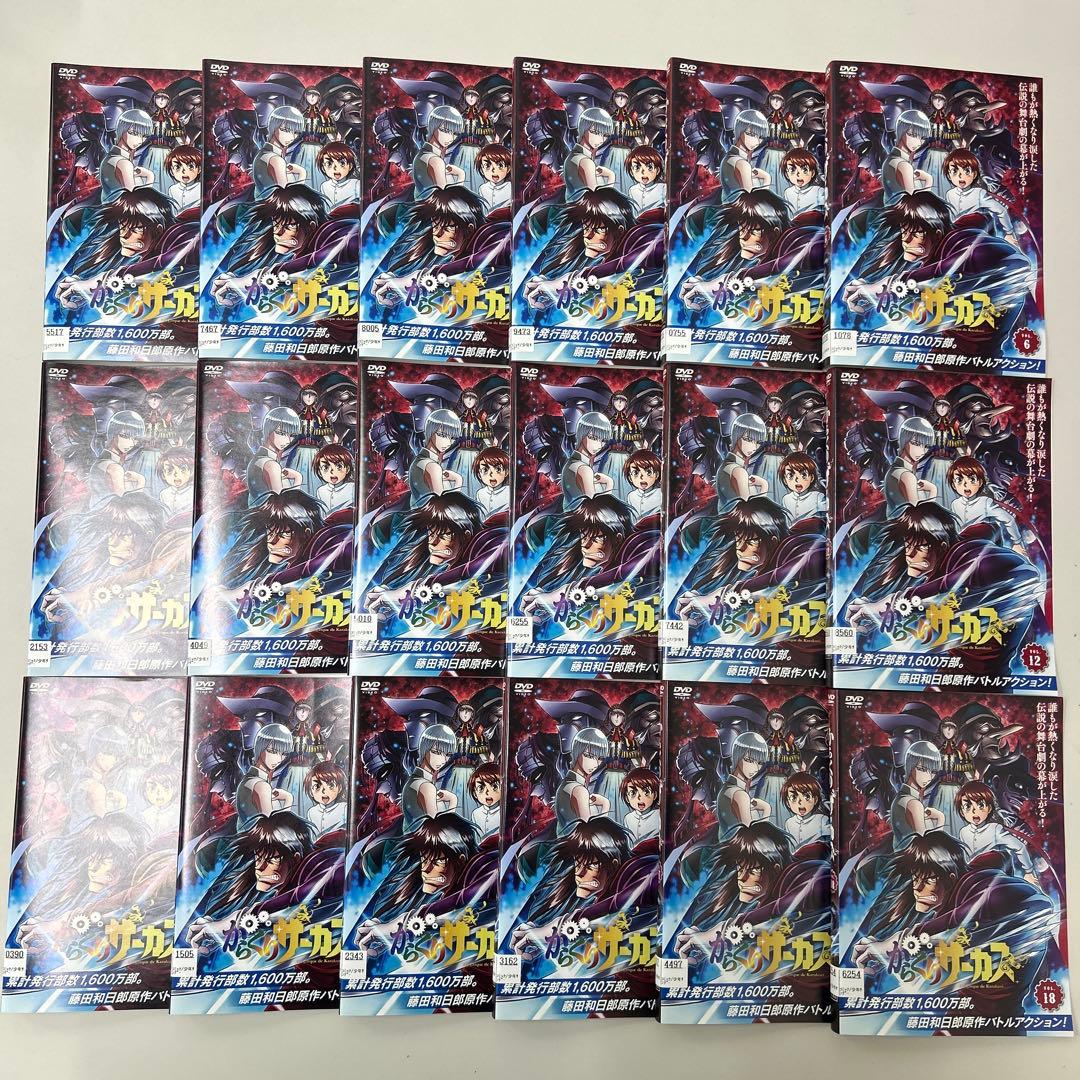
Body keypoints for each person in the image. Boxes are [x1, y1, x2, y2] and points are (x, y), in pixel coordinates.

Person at [955, 780, 1039, 885]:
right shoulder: (963, 832)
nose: (974, 811)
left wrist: (1029, 871)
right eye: (968, 806)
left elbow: (1019, 847)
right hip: (972, 881)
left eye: (980, 805)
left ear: (989, 808)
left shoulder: (995, 829)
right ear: (962, 811)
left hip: (995, 880)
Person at [947, 455, 1024, 553]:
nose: (966, 484)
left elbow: (1008, 519)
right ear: (953, 484)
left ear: (980, 482)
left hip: (985, 549)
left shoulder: (985, 502)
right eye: (959, 480)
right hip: (963, 550)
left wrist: (1017, 542)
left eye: (972, 480)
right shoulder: (955, 504)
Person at [943, 148, 1017, 245]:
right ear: (949, 175)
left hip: (978, 239)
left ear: (974, 174)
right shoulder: (950, 194)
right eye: (954, 171)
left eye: (967, 171)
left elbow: (1001, 210)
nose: (960, 176)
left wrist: (1009, 232)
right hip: (957, 239)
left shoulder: (979, 193)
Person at [234, 723, 293, 830]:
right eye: (273, 751)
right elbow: (272, 832)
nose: (279, 759)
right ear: (260, 748)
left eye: (283, 754)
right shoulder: (261, 786)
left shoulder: (248, 780)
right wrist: (288, 799)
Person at [401, 724, 458, 831]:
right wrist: (453, 800)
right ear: (424, 748)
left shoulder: (413, 781)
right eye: (437, 752)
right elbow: (438, 832)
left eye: (448, 754)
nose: (443, 760)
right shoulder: (426, 786)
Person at [556, 728, 611, 835]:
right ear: (577, 751)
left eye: (600, 758)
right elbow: (590, 836)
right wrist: (605, 805)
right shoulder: (579, 790)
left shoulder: (566, 784)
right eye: (590, 756)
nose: (595, 764)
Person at [781, 771, 829, 846]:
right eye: (794, 797)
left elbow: (829, 844)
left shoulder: (822, 820)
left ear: (815, 800)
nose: (800, 801)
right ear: (788, 802)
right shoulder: (789, 823)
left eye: (807, 796)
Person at [779, 451, 826, 524]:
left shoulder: (817, 497)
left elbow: (825, 520)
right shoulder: (786, 499)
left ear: (812, 478)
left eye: (803, 475)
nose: (797, 480)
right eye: (791, 475)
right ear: (785, 480)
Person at [305, 761, 347, 836]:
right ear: (311, 791)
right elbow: (312, 836)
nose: (324, 791)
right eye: (317, 786)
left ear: (339, 788)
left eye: (331, 785)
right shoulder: (311, 812)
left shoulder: (344, 808)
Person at [780, 146, 825, 215]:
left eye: (805, 170)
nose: (798, 174)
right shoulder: (788, 192)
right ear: (787, 174)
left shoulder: (818, 191)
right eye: (792, 170)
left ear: (812, 173)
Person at [313, 443, 354, 516]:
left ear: (347, 469)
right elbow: (322, 514)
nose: (332, 471)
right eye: (326, 467)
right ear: (319, 472)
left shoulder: (352, 488)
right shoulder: (321, 491)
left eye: (339, 466)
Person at [621, 767, 660, 843]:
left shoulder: (659, 815)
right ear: (627, 798)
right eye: (633, 793)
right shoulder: (628, 818)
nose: (639, 797)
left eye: (646, 792)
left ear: (655, 795)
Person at [317, 141, 361, 209]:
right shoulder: (324, 186)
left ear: (350, 166)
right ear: (323, 168)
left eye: (342, 163)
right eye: (329, 163)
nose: (336, 168)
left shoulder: (356, 184)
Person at [626, 144, 665, 217]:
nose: (643, 172)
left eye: (649, 167)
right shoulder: (632, 190)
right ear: (631, 172)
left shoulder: (663, 188)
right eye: (637, 167)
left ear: (657, 170)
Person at [624, 449, 662, 522]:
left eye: (648, 472)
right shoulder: (631, 496)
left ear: (656, 475)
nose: (642, 477)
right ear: (630, 477)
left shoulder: (661, 494)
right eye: (636, 473)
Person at [472, 446, 510, 518]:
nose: (491, 474)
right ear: (479, 474)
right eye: (485, 470)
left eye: (498, 469)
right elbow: (481, 516)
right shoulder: (480, 493)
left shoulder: (509, 492)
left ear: (506, 472)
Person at [476, 142, 511, 215]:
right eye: (487, 166)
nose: (493, 170)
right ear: (482, 170)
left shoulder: (511, 187)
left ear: (508, 169)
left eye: (500, 165)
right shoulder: (482, 188)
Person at [165, 144, 201, 214]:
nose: (184, 171)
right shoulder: (172, 189)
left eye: (191, 166)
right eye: (177, 167)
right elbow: (173, 211)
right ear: (172, 171)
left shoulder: (201, 188)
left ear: (199, 169)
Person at [469, 761, 501, 838]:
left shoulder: (504, 812)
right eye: (481, 788)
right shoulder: (476, 814)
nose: (487, 792)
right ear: (475, 793)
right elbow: (477, 838)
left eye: (494, 787)